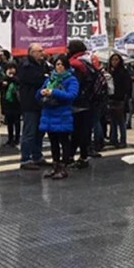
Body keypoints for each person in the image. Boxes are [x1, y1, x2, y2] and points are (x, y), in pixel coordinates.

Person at [37, 55, 79, 180]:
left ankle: (63, 167)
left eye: (61, 64)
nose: (59, 67)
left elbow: (71, 95)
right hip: (49, 114)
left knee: (64, 141)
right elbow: (39, 93)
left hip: (62, 115)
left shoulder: (71, 80)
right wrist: (41, 92)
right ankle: (55, 166)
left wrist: (54, 92)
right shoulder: (50, 79)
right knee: (53, 142)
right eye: (57, 64)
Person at [18, 44, 49, 170]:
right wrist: (44, 78)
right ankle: (25, 158)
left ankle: (37, 155)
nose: (42, 53)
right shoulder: (26, 65)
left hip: (39, 102)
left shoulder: (42, 64)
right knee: (29, 132)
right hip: (30, 102)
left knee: (39, 132)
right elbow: (36, 79)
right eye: (39, 51)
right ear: (32, 52)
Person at [67, 40, 95, 169]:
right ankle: (82, 156)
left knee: (77, 131)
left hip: (79, 101)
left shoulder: (76, 64)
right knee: (83, 130)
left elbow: (75, 83)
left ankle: (73, 156)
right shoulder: (89, 60)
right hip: (89, 101)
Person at [108, 53, 132, 148]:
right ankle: (113, 138)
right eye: (113, 60)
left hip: (121, 99)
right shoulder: (109, 71)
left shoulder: (124, 72)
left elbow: (127, 86)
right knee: (113, 120)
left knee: (121, 121)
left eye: (116, 59)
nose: (114, 62)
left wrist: (126, 97)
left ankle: (123, 140)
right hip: (111, 98)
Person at [0, 61, 21, 147]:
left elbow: (18, 82)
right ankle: (10, 138)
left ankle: (17, 139)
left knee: (17, 121)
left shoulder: (17, 78)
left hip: (16, 103)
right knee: (9, 122)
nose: (11, 70)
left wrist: (11, 78)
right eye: (9, 68)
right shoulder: (4, 79)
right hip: (7, 103)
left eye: (12, 68)